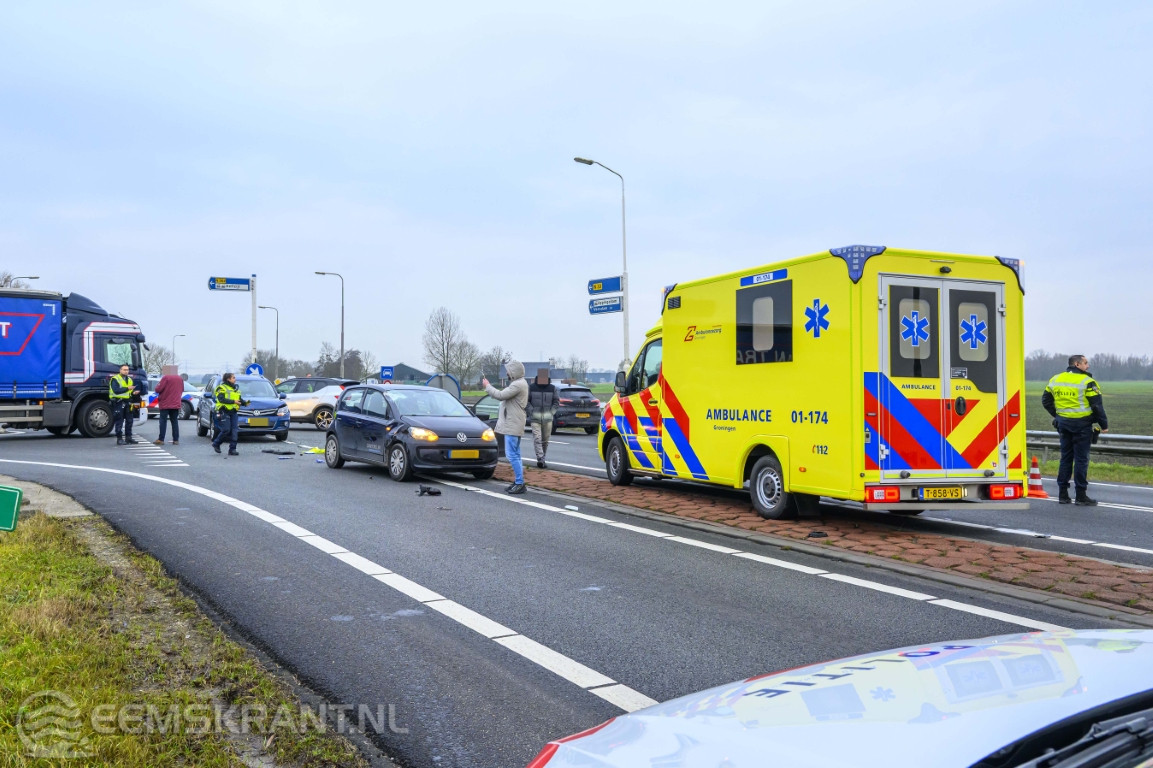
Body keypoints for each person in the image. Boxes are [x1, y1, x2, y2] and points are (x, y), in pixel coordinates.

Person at [1042, 354, 1108, 506]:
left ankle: (1063, 495)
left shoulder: (1055, 379)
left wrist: (1058, 416)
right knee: (1081, 460)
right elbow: (1097, 405)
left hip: (1063, 425)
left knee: (1065, 458)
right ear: (1077, 364)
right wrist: (1104, 425)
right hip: (1082, 426)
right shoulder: (1088, 382)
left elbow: (1045, 401)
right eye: (1085, 363)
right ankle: (1080, 496)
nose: (1088, 366)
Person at [482, 360, 529, 494]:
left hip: (512, 424)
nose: (507, 373)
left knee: (511, 455)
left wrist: (487, 386)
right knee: (516, 454)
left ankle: (520, 483)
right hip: (515, 422)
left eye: (508, 370)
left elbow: (500, 395)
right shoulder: (519, 383)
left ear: (514, 372)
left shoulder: (517, 385)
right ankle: (518, 481)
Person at [526, 368, 559, 469]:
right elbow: (526, 402)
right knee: (537, 438)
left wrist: (551, 413)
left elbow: (556, 402)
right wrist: (532, 412)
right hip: (535, 418)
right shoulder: (531, 388)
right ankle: (540, 458)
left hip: (547, 419)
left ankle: (542, 457)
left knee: (545, 440)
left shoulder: (552, 388)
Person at [211, 373, 249, 456]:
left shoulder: (235, 388)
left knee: (235, 430)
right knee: (226, 430)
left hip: (233, 411)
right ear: (228, 379)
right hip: (224, 411)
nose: (235, 379)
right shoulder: (221, 388)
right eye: (233, 378)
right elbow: (221, 399)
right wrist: (233, 402)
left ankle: (232, 449)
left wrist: (245, 403)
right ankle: (216, 443)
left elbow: (238, 399)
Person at [109, 363, 142, 445]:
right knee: (119, 420)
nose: (126, 371)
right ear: (120, 370)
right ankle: (119, 438)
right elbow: (116, 390)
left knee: (129, 421)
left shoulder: (130, 379)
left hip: (128, 402)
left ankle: (128, 438)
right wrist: (127, 388)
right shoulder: (115, 379)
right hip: (118, 402)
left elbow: (129, 392)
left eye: (127, 370)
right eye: (124, 370)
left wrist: (134, 393)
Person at [153, 365, 184, 445]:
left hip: (165, 403)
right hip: (176, 403)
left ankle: (161, 439)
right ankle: (176, 439)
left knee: (163, 421)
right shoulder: (180, 378)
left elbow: (158, 389)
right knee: (174, 421)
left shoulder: (166, 378)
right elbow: (182, 389)